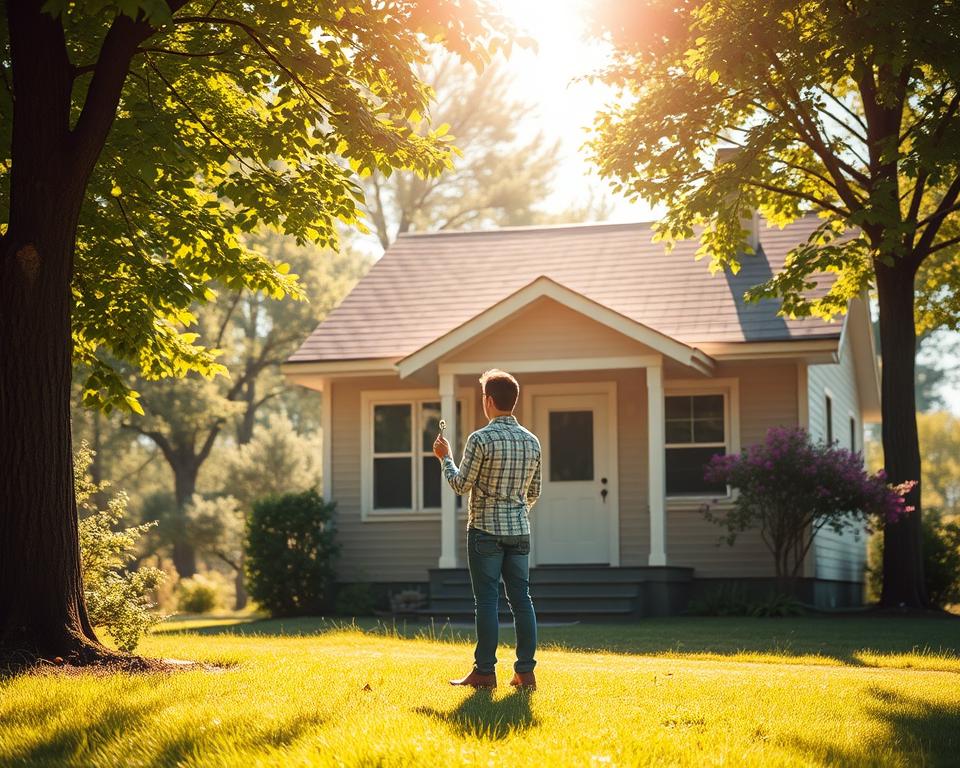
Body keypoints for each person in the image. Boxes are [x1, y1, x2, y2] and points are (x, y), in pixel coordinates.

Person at [433, 369, 542, 690]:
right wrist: (515, 511)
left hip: (484, 533)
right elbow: (534, 491)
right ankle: (525, 672)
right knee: (522, 600)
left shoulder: (480, 439)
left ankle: (484, 672)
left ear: (489, 401)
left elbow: (460, 484)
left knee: (487, 602)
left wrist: (445, 458)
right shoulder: (532, 442)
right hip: (520, 532)